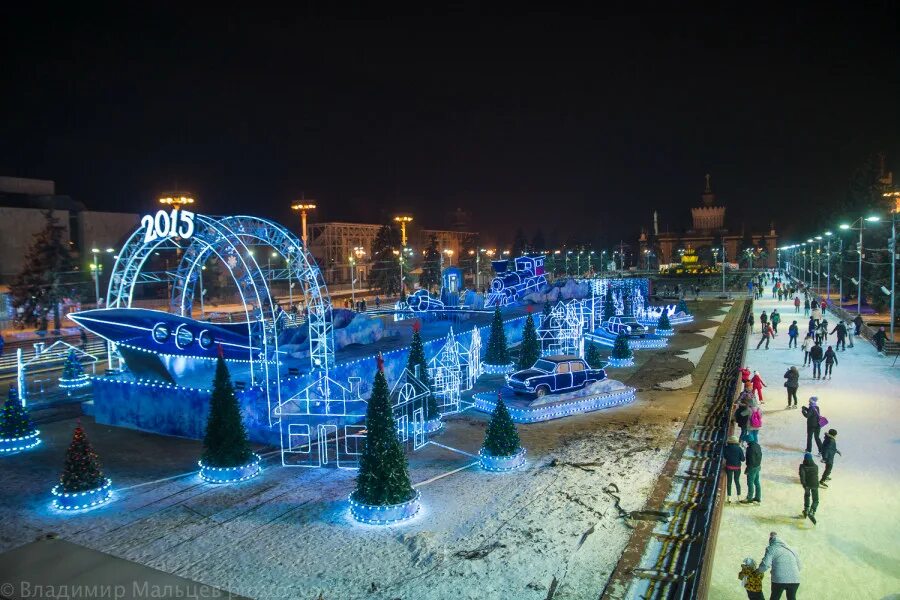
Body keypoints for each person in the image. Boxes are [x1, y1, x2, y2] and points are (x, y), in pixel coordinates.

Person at [757, 532, 801, 600]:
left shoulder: (771, 548)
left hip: (779, 579)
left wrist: (757, 571)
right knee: (791, 598)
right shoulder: (792, 549)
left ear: (770, 540)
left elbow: (765, 565)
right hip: (795, 579)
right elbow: (799, 566)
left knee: (775, 598)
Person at [798, 453, 819, 525]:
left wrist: (804, 484)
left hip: (807, 485)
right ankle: (812, 511)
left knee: (807, 496)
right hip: (815, 484)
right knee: (815, 500)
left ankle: (806, 510)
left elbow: (802, 476)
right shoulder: (816, 466)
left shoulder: (802, 466)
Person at [723, 435, 744, 502]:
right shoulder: (739, 448)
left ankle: (729, 498)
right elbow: (743, 459)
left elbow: (725, 457)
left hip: (729, 467)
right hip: (737, 467)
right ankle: (739, 497)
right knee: (737, 481)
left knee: (729, 482)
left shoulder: (726, 448)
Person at [742, 439, 762, 504]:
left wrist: (747, 469)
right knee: (757, 482)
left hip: (752, 468)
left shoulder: (749, 449)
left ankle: (749, 498)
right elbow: (760, 455)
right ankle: (757, 497)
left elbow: (749, 460)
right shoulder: (758, 445)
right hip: (758, 466)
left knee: (750, 483)